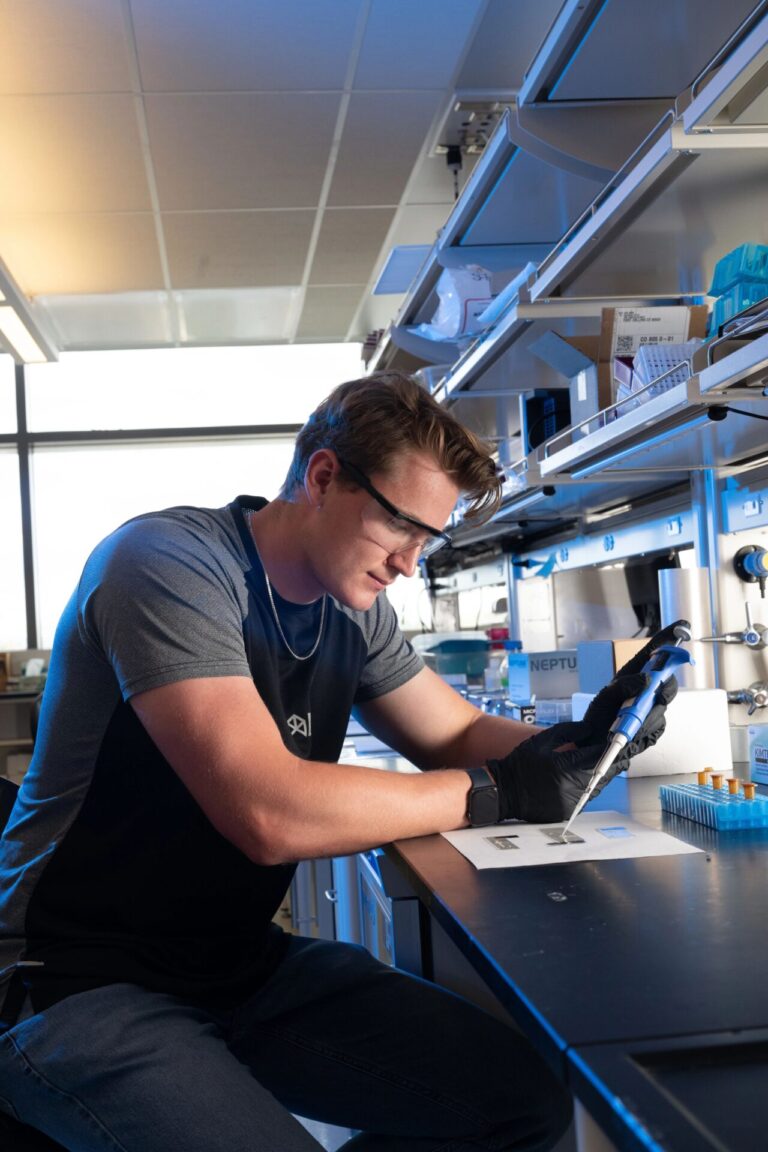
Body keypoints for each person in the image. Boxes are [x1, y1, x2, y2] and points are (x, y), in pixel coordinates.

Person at [0, 370, 676, 1152]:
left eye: (429, 541)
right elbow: (268, 811)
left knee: (519, 1102)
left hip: (236, 967)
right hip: (79, 981)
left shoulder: (352, 610)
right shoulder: (168, 565)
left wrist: (588, 740)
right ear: (324, 477)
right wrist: (498, 791)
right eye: (400, 529)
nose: (407, 564)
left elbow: (453, 735)